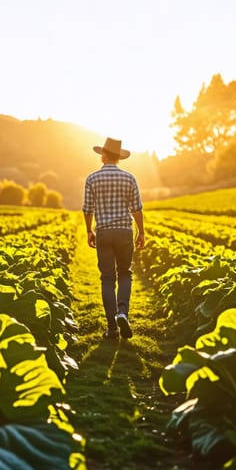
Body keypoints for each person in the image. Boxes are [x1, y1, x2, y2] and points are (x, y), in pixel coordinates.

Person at [82, 137, 145, 339]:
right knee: (125, 273)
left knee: (107, 278)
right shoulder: (130, 178)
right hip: (124, 232)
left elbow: (87, 209)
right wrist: (141, 232)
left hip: (104, 232)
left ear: (104, 156)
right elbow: (137, 209)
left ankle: (112, 328)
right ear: (119, 158)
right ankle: (122, 313)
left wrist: (89, 231)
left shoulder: (92, 178)